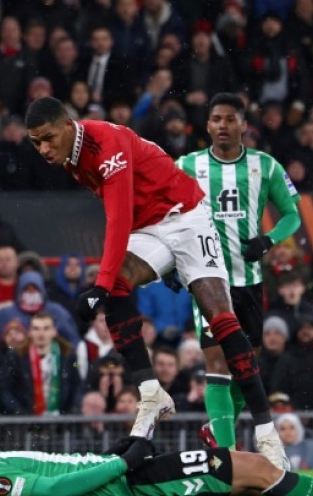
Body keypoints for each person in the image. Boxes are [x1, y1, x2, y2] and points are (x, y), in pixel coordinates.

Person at [24, 96, 287, 468]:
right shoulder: (71, 158)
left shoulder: (105, 146)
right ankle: (152, 393)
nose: (44, 149)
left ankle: (267, 434)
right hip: (149, 228)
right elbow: (125, 214)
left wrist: (99, 284)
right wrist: (150, 270)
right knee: (118, 287)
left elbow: (116, 217)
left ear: (69, 125)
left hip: (188, 217)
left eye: (48, 138)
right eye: (36, 143)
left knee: (221, 320)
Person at [176, 93, 302, 451]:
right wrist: (172, 261)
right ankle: (228, 457)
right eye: (217, 119)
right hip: (207, 281)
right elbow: (161, 210)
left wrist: (268, 240)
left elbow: (292, 213)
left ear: (244, 125)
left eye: (231, 119)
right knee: (217, 361)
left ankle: (218, 431)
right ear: (207, 125)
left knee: (247, 366)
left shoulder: (266, 166)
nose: (223, 125)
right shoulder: (187, 165)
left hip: (250, 281)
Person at [0, 418, 313, 496]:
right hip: (132, 484)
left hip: (125, 477)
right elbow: (53, 490)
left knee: (245, 481)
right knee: (253, 469)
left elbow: (65, 471)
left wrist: (110, 454)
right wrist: (123, 462)